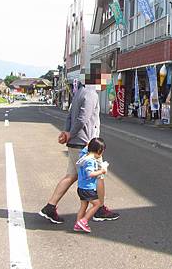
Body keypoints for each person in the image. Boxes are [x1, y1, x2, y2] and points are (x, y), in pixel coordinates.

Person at [39, 84, 119, 224]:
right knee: (99, 175)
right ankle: (99, 209)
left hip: (75, 142)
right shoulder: (91, 94)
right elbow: (83, 118)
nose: (107, 83)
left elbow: (70, 116)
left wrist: (67, 133)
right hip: (86, 143)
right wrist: (69, 133)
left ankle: (50, 207)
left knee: (71, 175)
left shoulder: (80, 92)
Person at [74, 138, 108, 233]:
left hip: (81, 187)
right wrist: (102, 171)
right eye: (102, 152)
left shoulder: (84, 155)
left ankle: (77, 224)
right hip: (88, 188)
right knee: (97, 204)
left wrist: (88, 145)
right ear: (99, 151)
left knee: (83, 206)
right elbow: (90, 173)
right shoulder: (90, 161)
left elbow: (85, 149)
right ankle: (83, 221)